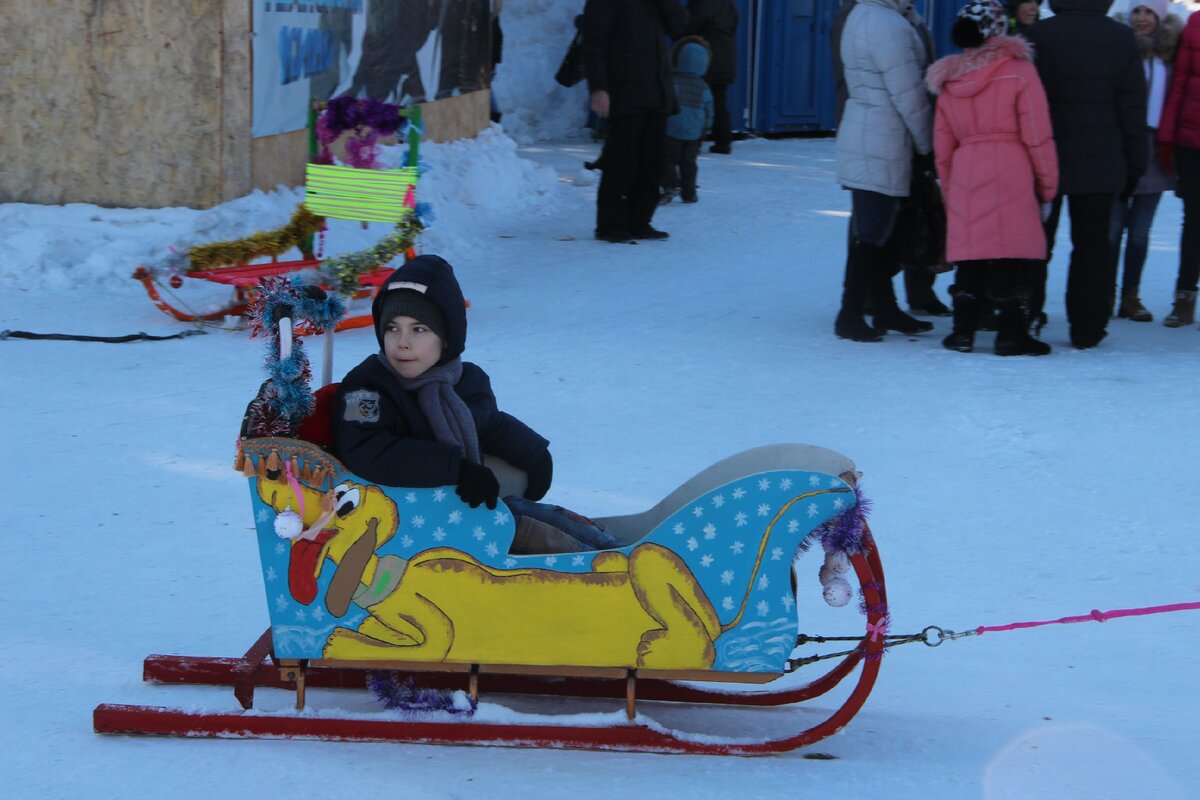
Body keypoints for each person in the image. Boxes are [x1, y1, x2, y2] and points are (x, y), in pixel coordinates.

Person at [333, 255, 621, 554]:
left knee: (535, 513)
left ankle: (611, 549)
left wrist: (534, 454)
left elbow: (490, 423)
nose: (402, 342)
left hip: (462, 509)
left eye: (419, 329)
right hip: (411, 524)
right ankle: (593, 569)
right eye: (393, 328)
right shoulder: (366, 388)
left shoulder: (464, 380)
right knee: (519, 528)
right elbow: (367, 449)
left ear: (447, 338)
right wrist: (455, 468)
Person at [928, 1, 1058, 356]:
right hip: (1011, 165)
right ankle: (1012, 334)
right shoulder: (1019, 70)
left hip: (967, 164)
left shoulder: (950, 77)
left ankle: (962, 332)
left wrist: (950, 188)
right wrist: (1047, 184)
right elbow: (1037, 132)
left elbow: (942, 144)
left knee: (971, 252)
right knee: (1010, 253)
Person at [1026, 0, 1147, 350]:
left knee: (1037, 242)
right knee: (1093, 246)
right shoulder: (1121, 38)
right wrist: (1135, 165)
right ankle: (1088, 326)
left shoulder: (1039, 35)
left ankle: (1028, 312)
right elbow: (1132, 107)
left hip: (1045, 156)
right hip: (1102, 158)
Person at [833, 0, 936, 342]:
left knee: (878, 231)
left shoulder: (865, 14)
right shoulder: (886, 24)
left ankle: (884, 307)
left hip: (870, 133)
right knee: (874, 233)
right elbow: (909, 93)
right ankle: (849, 314)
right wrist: (927, 144)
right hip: (882, 138)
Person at [582, 0, 687, 244]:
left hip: (656, 91)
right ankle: (610, 224)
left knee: (653, 163)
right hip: (624, 91)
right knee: (621, 162)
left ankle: (639, 221)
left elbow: (680, 25)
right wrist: (598, 88)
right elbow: (594, 43)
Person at [1110, 1, 1184, 322]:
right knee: (1111, 231)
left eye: (1149, 13)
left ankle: (1130, 295)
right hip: (1120, 147)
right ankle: (1103, 291)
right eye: (1137, 11)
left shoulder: (1170, 57)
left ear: (1160, 18)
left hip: (1155, 152)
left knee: (1140, 232)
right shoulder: (1118, 51)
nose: (1142, 19)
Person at [1158, 9, 1200, 328]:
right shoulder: (1195, 25)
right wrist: (1167, 138)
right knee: (1194, 220)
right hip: (1192, 140)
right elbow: (1180, 84)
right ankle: (1184, 298)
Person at [660, 37, 714, 205]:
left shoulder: (672, 81)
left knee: (668, 159)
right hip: (693, 132)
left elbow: (665, 103)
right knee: (689, 163)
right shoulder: (703, 87)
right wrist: (707, 128)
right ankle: (689, 193)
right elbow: (709, 110)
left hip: (672, 129)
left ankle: (670, 186)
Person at [685, 0, 739, 155]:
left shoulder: (700, 3)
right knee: (718, 101)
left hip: (706, 58)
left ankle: (694, 142)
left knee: (696, 101)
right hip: (726, 57)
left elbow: (689, 27)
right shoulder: (728, 4)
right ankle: (723, 142)